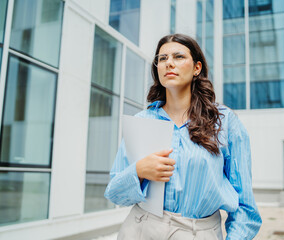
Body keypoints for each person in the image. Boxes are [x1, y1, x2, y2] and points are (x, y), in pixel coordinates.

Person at [104, 33, 262, 240]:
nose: (169, 63)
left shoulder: (224, 121)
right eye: (162, 59)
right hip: (141, 229)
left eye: (178, 57)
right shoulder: (143, 120)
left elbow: (245, 206)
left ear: (197, 68)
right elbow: (115, 193)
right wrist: (139, 171)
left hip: (199, 232)